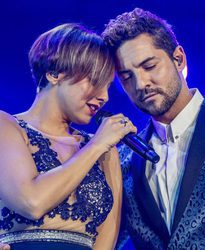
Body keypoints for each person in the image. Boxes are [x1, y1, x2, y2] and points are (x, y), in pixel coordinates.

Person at [102, 8, 205, 249]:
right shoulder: (124, 160)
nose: (141, 84)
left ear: (178, 59)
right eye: (127, 77)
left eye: (149, 66)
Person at [0, 23, 137, 250]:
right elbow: (31, 201)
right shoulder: (7, 126)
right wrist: (96, 145)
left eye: (108, 87)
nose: (104, 97)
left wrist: (98, 146)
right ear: (54, 73)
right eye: (94, 81)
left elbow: (106, 237)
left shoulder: (105, 151)